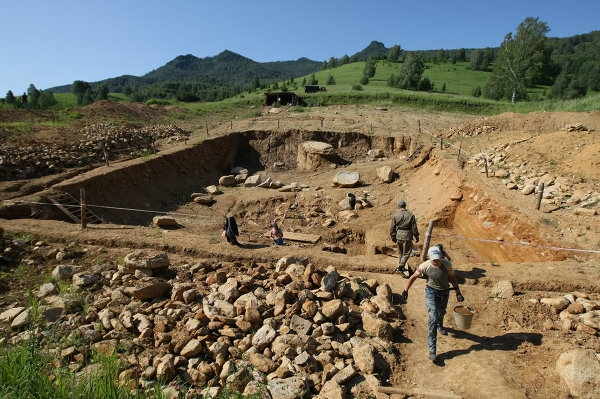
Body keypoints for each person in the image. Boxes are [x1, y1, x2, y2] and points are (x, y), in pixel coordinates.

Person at [401, 246, 464, 362]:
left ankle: (440, 324)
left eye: (438, 258)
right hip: (431, 292)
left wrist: (458, 292)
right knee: (432, 318)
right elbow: (413, 277)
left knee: (442, 312)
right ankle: (432, 350)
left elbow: (453, 278)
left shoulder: (447, 265)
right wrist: (405, 290)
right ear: (430, 258)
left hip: (444, 292)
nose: (436, 261)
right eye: (434, 259)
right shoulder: (425, 266)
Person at [389, 200, 419, 278]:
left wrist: (393, 236)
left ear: (398, 206)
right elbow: (414, 228)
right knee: (406, 253)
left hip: (398, 235)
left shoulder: (395, 215)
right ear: (405, 206)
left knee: (400, 253)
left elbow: (392, 227)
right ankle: (401, 267)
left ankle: (400, 266)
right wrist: (417, 236)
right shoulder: (411, 215)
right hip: (407, 235)